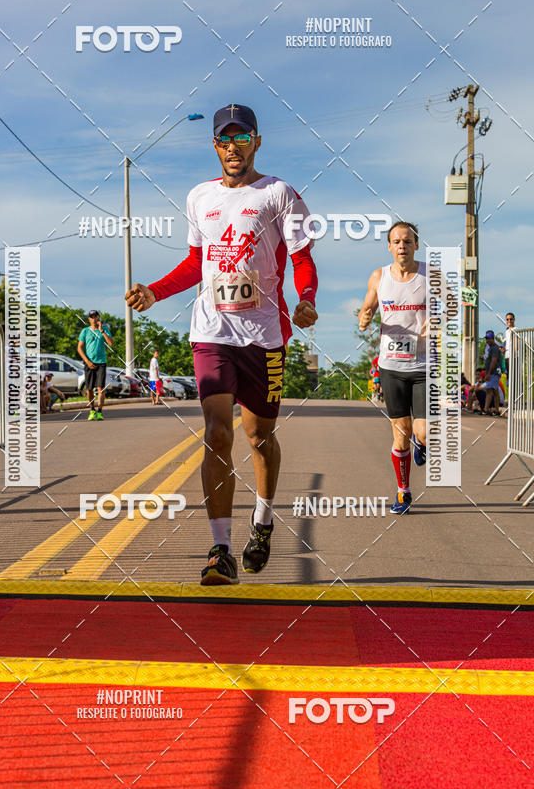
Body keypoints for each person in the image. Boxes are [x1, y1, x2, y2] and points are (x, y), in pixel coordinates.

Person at [126, 103, 318, 585]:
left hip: (264, 334)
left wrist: (306, 299)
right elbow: (196, 262)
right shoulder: (199, 197)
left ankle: (263, 520)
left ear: (257, 142)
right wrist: (155, 291)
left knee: (259, 436)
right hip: (211, 331)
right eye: (224, 139)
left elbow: (302, 258)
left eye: (242, 137)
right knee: (216, 433)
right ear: (215, 146)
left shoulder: (279, 194)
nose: (233, 147)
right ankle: (221, 550)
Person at [358, 221, 426, 515]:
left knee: (423, 432)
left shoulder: (431, 276)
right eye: (397, 242)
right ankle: (403, 491)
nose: (402, 246)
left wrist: (437, 321)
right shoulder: (379, 276)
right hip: (391, 365)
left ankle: (422, 443)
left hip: (423, 365)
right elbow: (367, 308)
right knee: (401, 433)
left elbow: (450, 307)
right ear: (389, 246)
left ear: (416, 245)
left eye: (407, 241)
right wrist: (364, 317)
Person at [77, 310, 113, 421]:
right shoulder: (85, 331)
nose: (94, 319)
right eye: (92, 317)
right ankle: (92, 410)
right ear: (89, 319)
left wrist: (102, 331)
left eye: (96, 316)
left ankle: (100, 411)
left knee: (101, 388)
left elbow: (111, 343)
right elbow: (79, 348)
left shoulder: (105, 329)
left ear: (99, 317)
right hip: (89, 363)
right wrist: (87, 361)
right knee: (89, 389)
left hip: (101, 362)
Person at [505, 312, 515, 380]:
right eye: (507, 319)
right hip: (507, 356)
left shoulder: (515, 329)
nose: (509, 321)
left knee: (514, 376)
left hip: (513, 356)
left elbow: (517, 342)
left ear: (514, 319)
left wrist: (514, 355)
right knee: (509, 376)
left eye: (511, 319)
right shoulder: (507, 331)